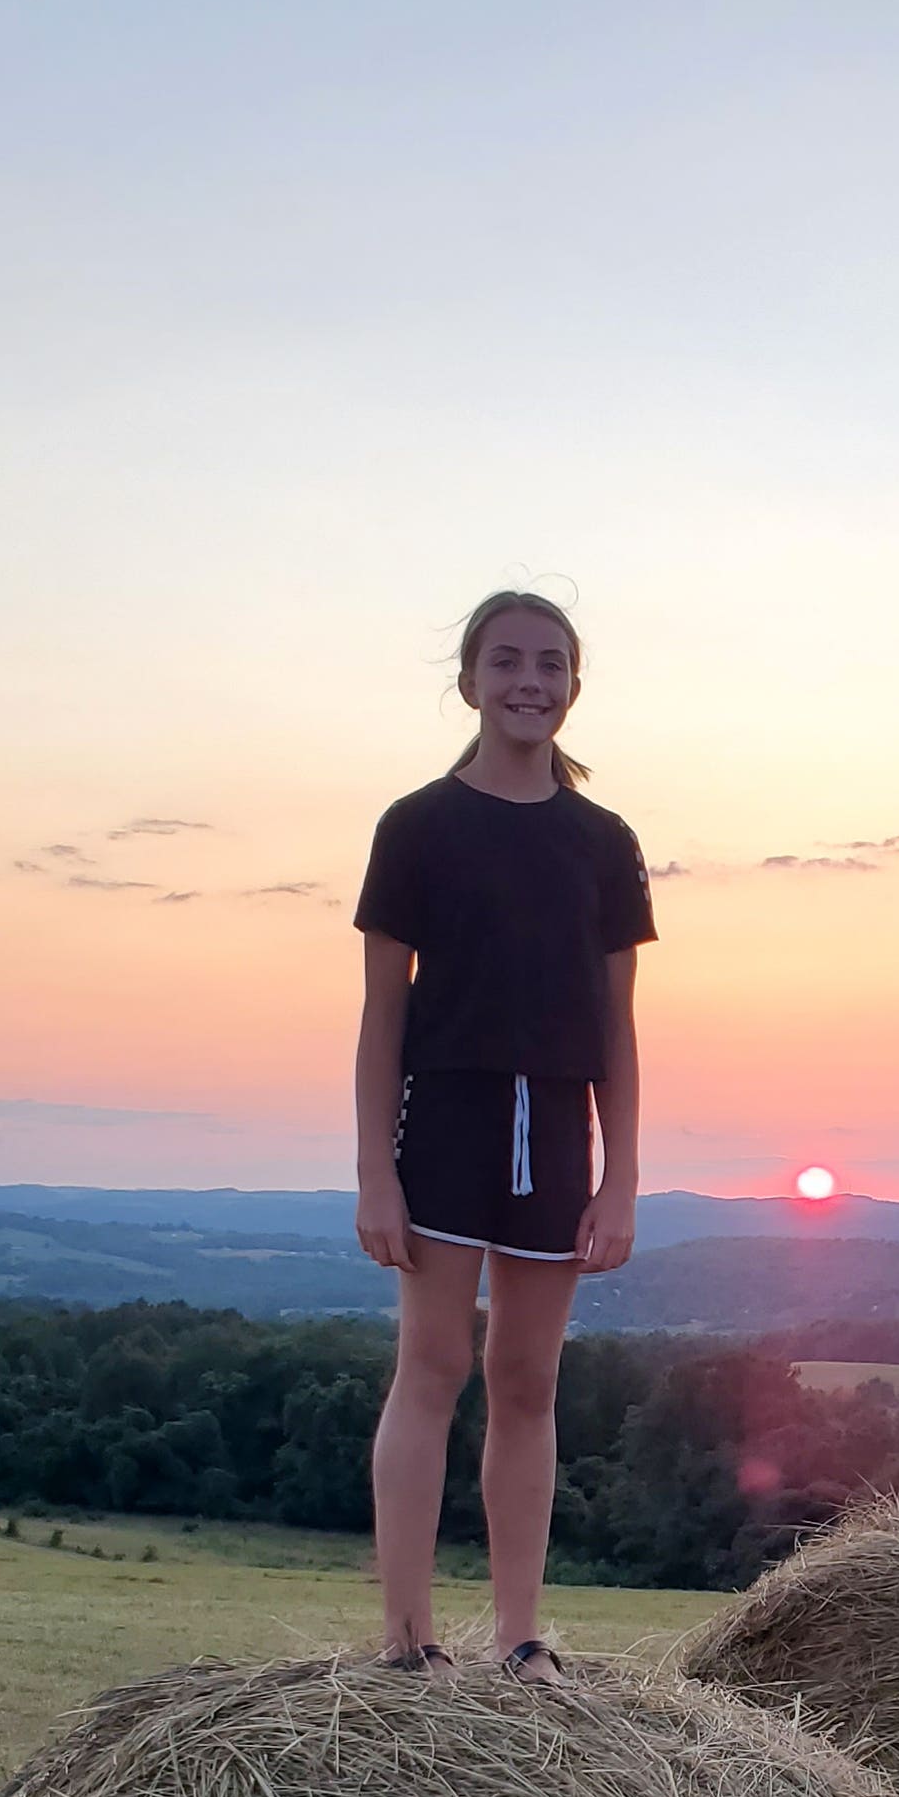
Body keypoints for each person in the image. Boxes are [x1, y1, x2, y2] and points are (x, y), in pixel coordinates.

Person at [352, 591, 652, 1678]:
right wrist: (374, 1173)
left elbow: (618, 1026)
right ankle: (407, 1639)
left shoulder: (604, 844)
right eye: (509, 661)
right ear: (470, 677)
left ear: (576, 685)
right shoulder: (416, 827)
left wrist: (621, 1182)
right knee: (430, 1364)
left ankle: (522, 1637)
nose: (531, 681)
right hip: (443, 1116)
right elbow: (383, 1013)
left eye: (552, 665)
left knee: (526, 1379)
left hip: (556, 1127)